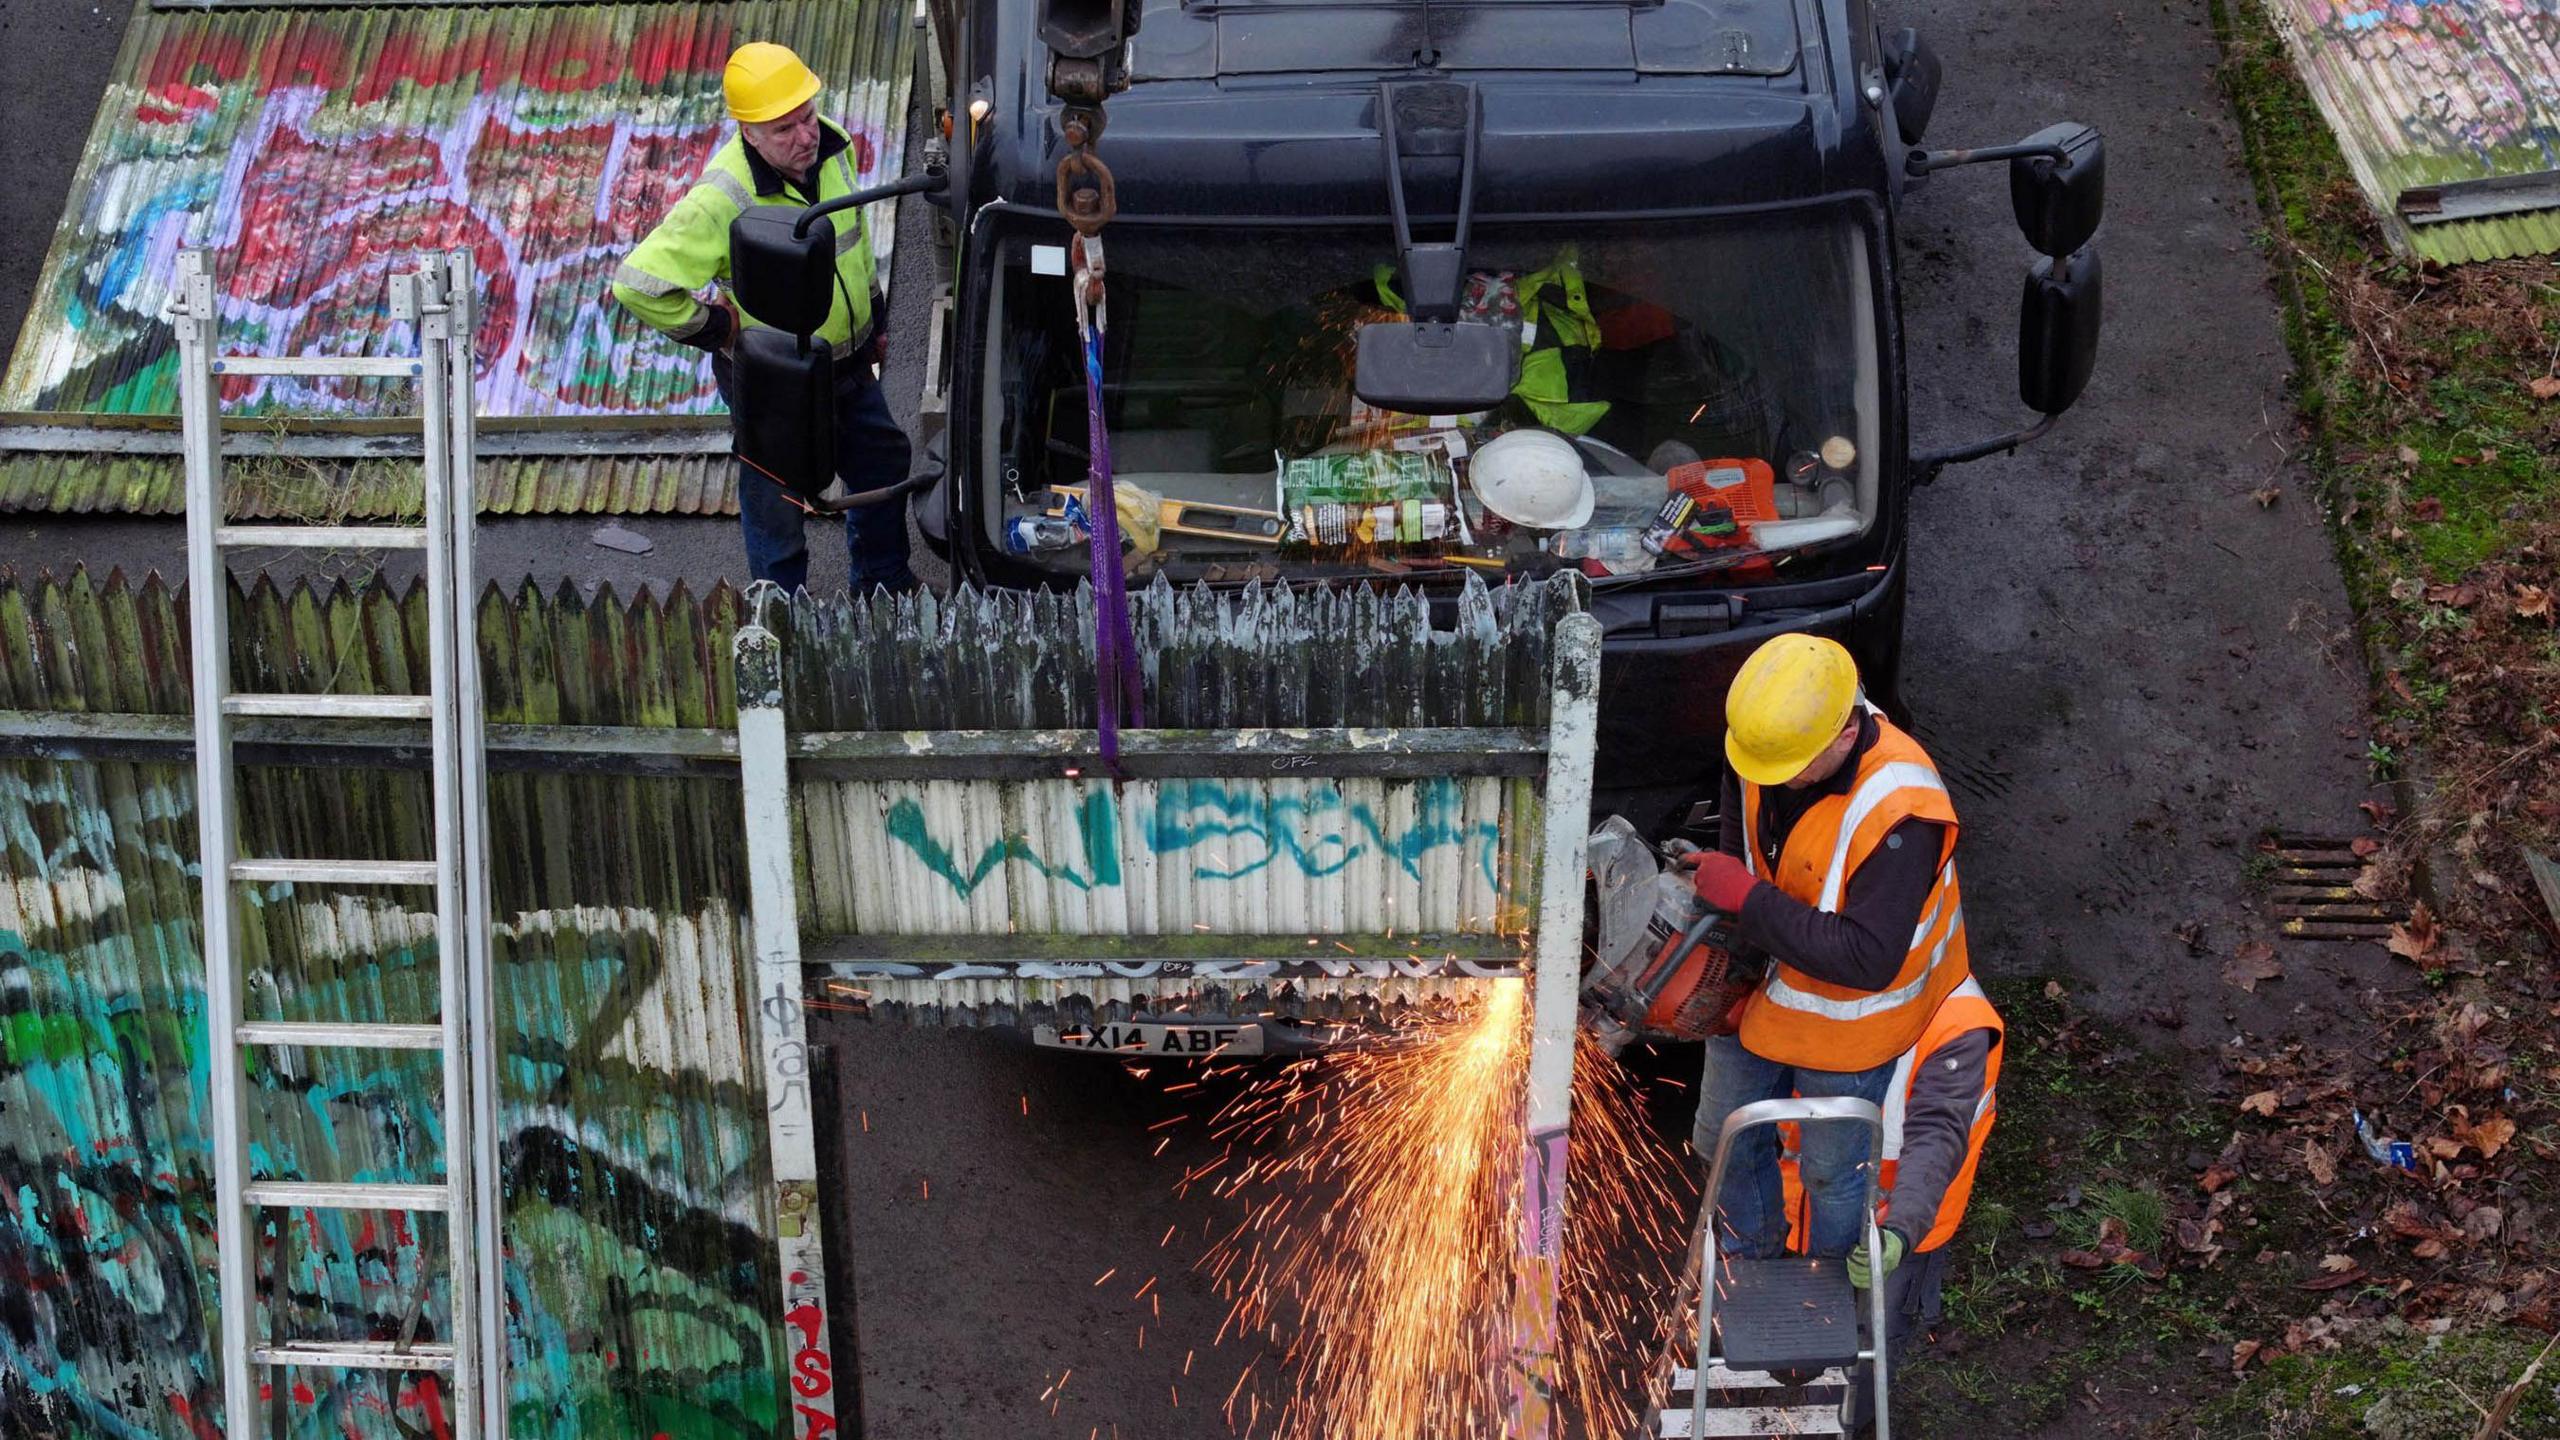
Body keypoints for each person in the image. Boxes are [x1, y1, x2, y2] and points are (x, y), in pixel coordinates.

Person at [1682, 632, 1970, 1262]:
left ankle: (1835, 1285)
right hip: (1766, 984)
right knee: (1721, 1137)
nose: (1774, 783)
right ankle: (1748, 1261)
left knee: (1831, 1174)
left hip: (1853, 1023)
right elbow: (1743, 847)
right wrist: (1729, 912)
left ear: (1845, 733)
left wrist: (1747, 900)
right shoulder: (1766, 747)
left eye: (1790, 771)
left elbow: (1868, 959)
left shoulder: (1903, 810)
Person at [611, 42, 917, 594]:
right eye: (784, 129)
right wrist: (717, 329)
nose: (806, 136)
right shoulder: (723, 196)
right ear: (748, 132)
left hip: (845, 363)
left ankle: (883, 585)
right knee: (777, 494)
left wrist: (874, 323)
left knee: (883, 463)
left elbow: (854, 242)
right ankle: (782, 610)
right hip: (776, 381)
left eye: (807, 116)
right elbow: (637, 284)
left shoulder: (828, 147)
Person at [1778, 976, 2002, 1431]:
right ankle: (1792, 1386)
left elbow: (1936, 1140)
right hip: (1799, 1207)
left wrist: (1899, 1231)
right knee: (1788, 1323)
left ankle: (1847, 1418)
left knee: (1872, 1338)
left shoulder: (1958, 1024)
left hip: (1897, 1222)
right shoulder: (1810, 971)